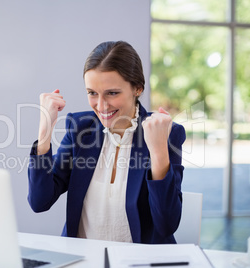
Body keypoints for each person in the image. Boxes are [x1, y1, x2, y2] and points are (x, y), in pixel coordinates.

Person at [28, 41, 186, 244]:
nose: (101, 106)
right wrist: (45, 131)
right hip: (83, 260)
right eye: (92, 93)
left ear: (137, 88)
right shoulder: (80, 129)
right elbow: (39, 202)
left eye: (112, 93)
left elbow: (166, 225)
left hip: (139, 261)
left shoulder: (166, 133)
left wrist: (158, 151)